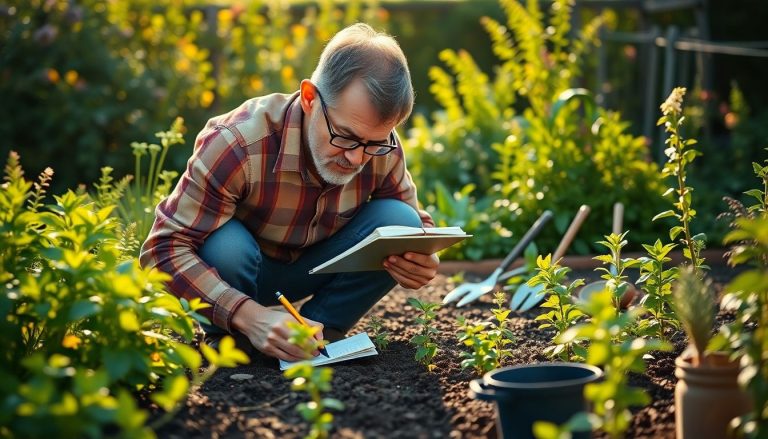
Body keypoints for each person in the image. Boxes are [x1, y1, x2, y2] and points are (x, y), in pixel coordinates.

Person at [140, 23, 439, 362]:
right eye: (345, 136)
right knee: (225, 246)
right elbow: (161, 249)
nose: (357, 158)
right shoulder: (238, 143)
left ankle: (320, 332)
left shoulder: (381, 147)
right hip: (240, 273)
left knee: (401, 222)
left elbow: (416, 226)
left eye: (374, 143)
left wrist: (421, 258)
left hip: (319, 266)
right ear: (310, 98)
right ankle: (235, 338)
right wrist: (248, 315)